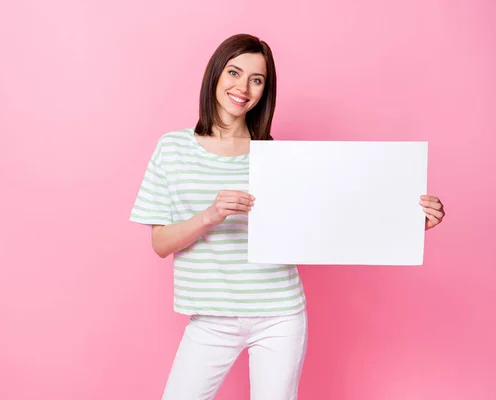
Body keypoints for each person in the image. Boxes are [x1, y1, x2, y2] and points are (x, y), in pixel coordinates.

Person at [129, 33, 446, 400]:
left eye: (256, 79)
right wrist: (210, 216)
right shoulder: (172, 148)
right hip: (211, 318)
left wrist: (405, 222)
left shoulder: (277, 157)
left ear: (265, 90)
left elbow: (333, 217)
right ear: (215, 74)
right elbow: (160, 243)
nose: (243, 87)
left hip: (279, 314)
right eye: (234, 72)